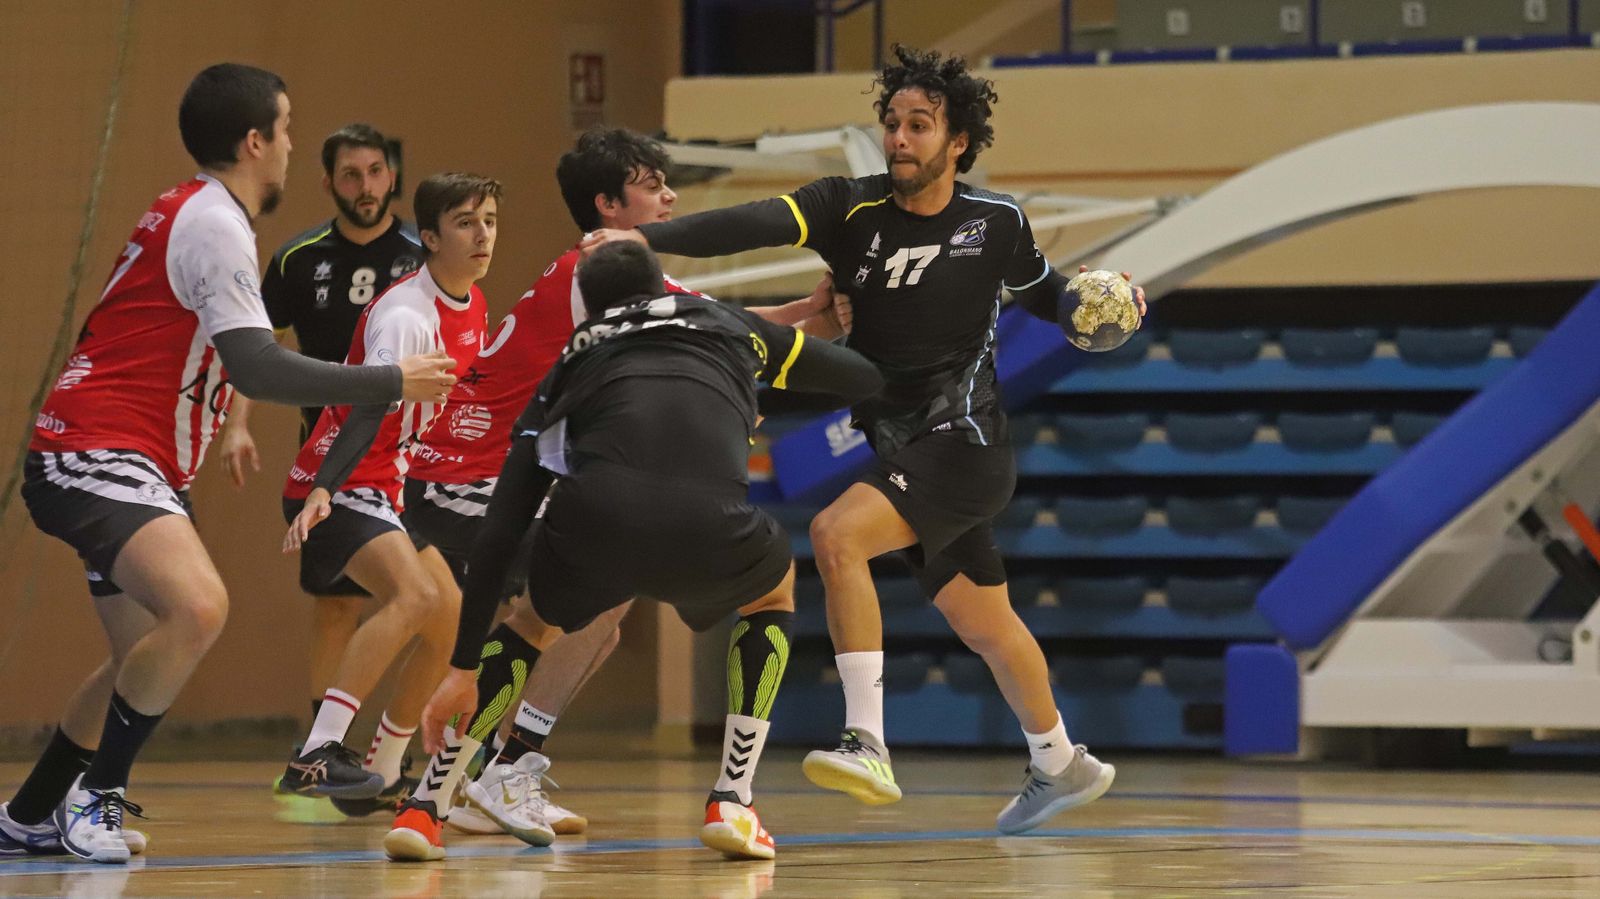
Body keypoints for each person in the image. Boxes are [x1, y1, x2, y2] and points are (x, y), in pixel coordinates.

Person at [584, 45, 1146, 835]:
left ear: (958, 143)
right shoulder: (848, 207)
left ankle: (867, 739)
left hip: (967, 442)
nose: (901, 138)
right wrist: (652, 241)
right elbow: (753, 223)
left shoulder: (996, 225)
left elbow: (1057, 301)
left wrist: (1108, 308)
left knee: (836, 533)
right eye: (892, 123)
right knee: (987, 622)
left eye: (921, 125)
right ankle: (1059, 758)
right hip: (901, 443)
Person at [0, 63, 455, 865]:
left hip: (125, 457)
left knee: (139, 651)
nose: (287, 147)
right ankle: (95, 802)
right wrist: (389, 380)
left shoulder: (194, 211)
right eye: (283, 131)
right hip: (97, 448)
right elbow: (255, 366)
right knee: (202, 608)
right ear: (255, 141)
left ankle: (32, 811)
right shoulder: (216, 222)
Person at [404, 127, 845, 840]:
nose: (670, 195)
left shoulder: (630, 277)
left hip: (510, 471)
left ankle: (484, 771)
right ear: (609, 206)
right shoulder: (592, 278)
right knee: (600, 584)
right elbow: (719, 334)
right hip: (464, 475)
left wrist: (807, 313)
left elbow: (722, 328)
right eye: (651, 183)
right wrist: (816, 324)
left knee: (601, 607)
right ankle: (493, 769)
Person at [213, 122, 429, 809]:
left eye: (376, 172)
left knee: (429, 602)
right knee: (338, 602)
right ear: (329, 182)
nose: (365, 187)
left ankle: (394, 752)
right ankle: (323, 750)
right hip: (333, 459)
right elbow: (256, 349)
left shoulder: (426, 256)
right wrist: (238, 425)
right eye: (351, 175)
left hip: (413, 459)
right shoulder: (299, 258)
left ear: (392, 176)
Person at [273, 173, 499, 805]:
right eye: (465, 222)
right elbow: (367, 407)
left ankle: (386, 768)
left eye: (489, 220)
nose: (482, 234)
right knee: (414, 596)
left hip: (392, 485)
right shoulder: (405, 315)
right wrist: (323, 488)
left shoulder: (474, 304)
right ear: (428, 237)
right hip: (338, 480)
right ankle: (316, 754)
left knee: (453, 630)